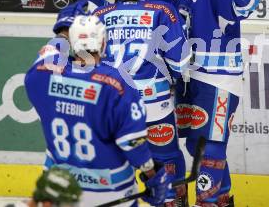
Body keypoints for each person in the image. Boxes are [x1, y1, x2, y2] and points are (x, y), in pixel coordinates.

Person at [24, 15, 172, 207]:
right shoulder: (117, 84)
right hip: (110, 190)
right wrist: (152, 176)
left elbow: (48, 52)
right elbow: (132, 143)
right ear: (103, 43)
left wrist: (63, 31)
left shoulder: (42, 74)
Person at [168, 0, 261, 206]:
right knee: (195, 142)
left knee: (212, 144)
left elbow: (251, 6)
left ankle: (206, 202)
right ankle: (222, 201)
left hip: (221, 74)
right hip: (186, 73)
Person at [93, 0, 191, 207]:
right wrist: (176, 81)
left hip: (113, 104)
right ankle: (172, 201)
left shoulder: (98, 15)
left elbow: (85, 63)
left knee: (118, 162)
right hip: (154, 102)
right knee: (166, 158)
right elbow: (181, 61)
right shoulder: (162, 10)